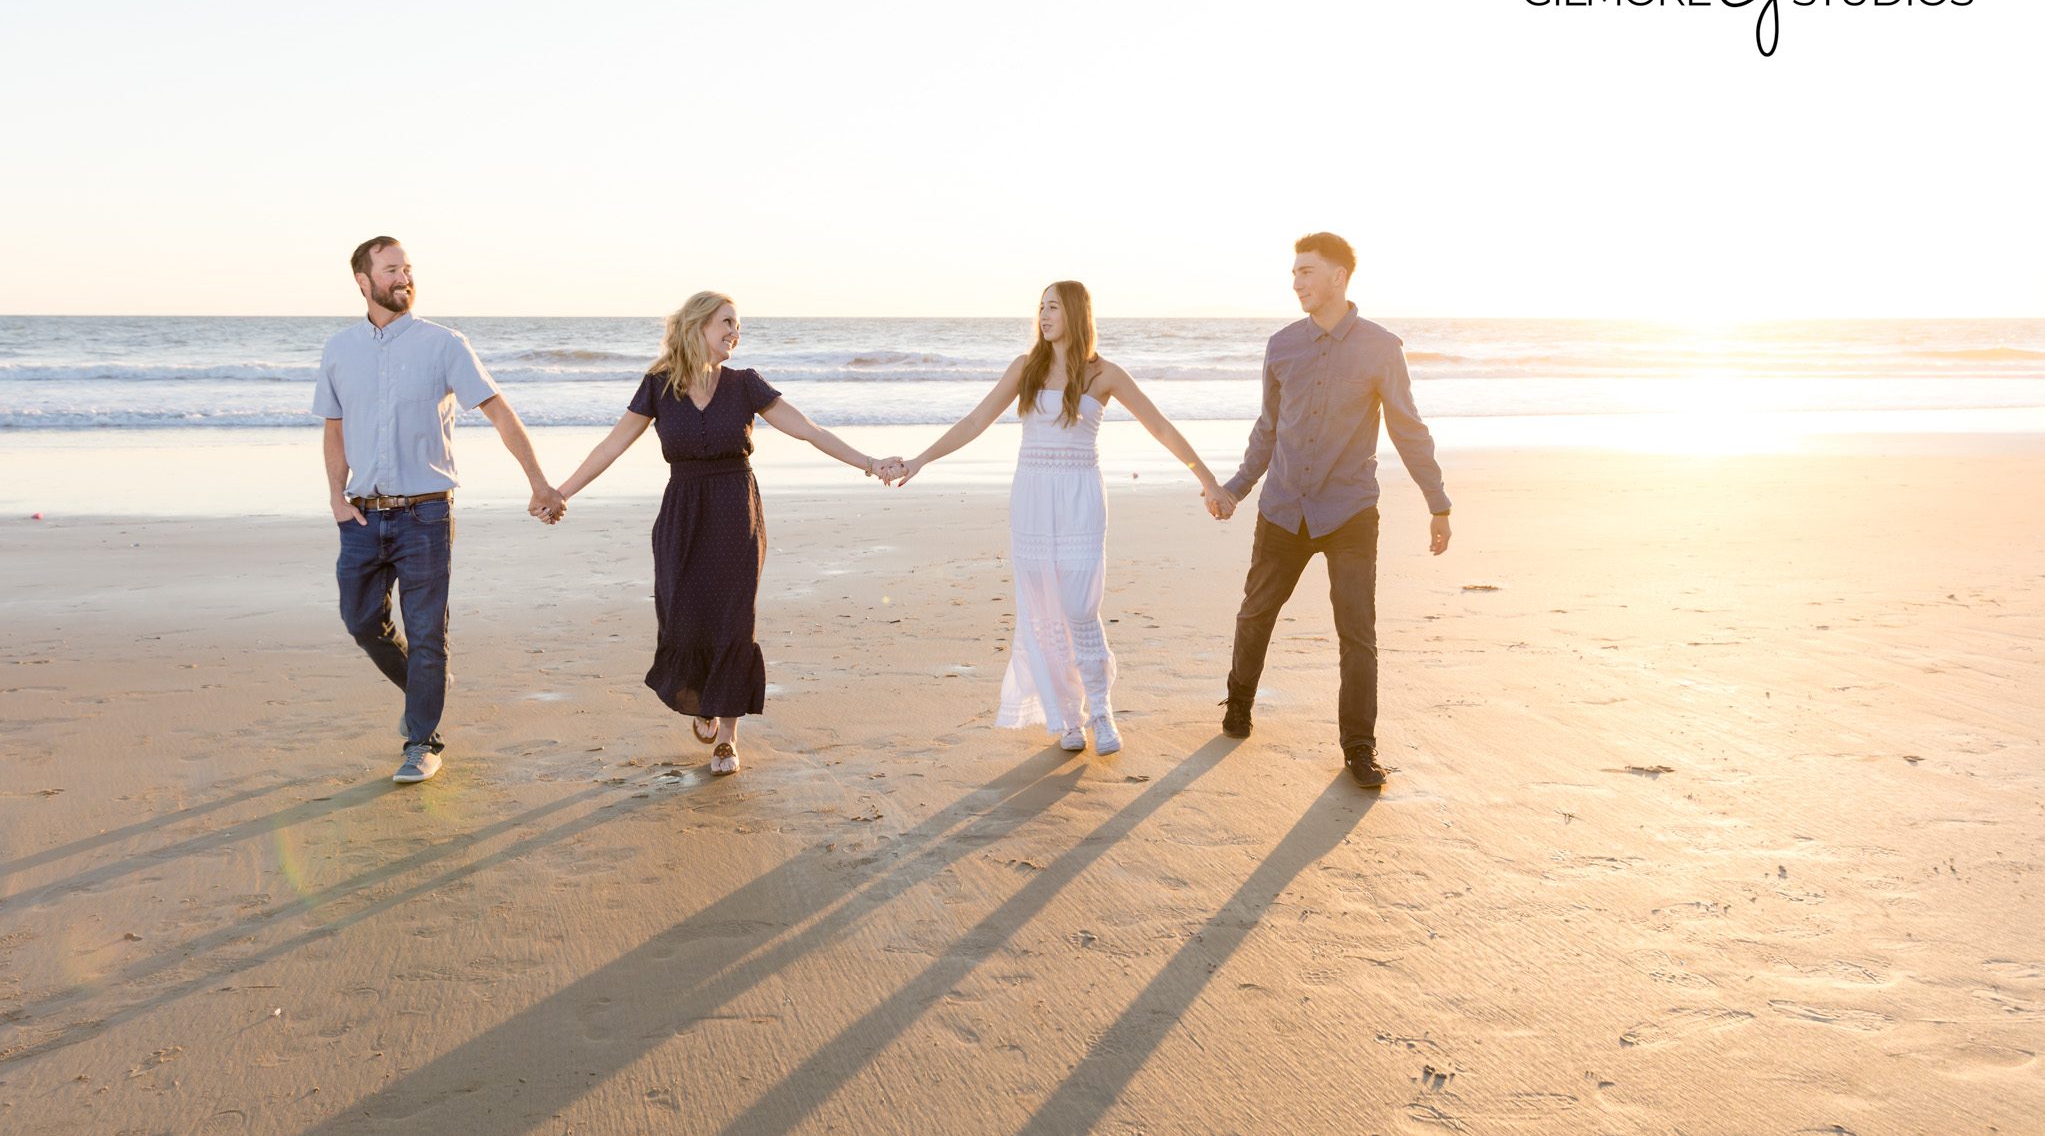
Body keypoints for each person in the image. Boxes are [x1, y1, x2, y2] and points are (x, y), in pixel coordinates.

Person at [546, 292, 896, 776]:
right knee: (683, 617)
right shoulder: (659, 386)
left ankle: (728, 740)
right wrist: (562, 492)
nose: (736, 332)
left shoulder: (745, 385)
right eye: (727, 322)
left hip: (735, 512)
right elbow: (612, 446)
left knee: (734, 620)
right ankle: (704, 699)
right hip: (683, 512)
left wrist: (870, 463)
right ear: (698, 326)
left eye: (738, 325)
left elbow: (808, 430)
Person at [888, 281, 1233, 756]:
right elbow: (973, 422)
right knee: (1043, 613)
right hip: (1032, 498)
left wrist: (1208, 480)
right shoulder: (1024, 370)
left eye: (1053, 306)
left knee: (1079, 609)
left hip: (1080, 498)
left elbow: (1160, 426)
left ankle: (1101, 711)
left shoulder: (1104, 374)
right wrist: (922, 459)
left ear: (1075, 313)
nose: (1043, 315)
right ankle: (1069, 719)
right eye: (1040, 307)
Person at [315, 236, 566, 785]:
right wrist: (336, 497)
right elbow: (334, 428)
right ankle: (427, 682)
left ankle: (421, 741)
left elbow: (500, 412)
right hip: (361, 515)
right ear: (363, 281)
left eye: (407, 268)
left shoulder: (443, 344)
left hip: (426, 515)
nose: (403, 277)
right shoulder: (339, 350)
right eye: (390, 270)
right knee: (361, 622)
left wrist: (539, 482)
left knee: (428, 632)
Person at [1216, 232, 1452, 788]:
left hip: (1348, 512)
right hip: (1282, 508)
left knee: (1357, 633)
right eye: (1294, 273)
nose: (1296, 282)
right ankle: (1238, 706)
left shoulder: (1381, 348)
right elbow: (1268, 429)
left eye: (1306, 272)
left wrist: (1436, 502)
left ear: (1339, 277)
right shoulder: (1281, 346)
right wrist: (1236, 488)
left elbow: (1407, 429)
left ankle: (1359, 748)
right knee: (1256, 614)